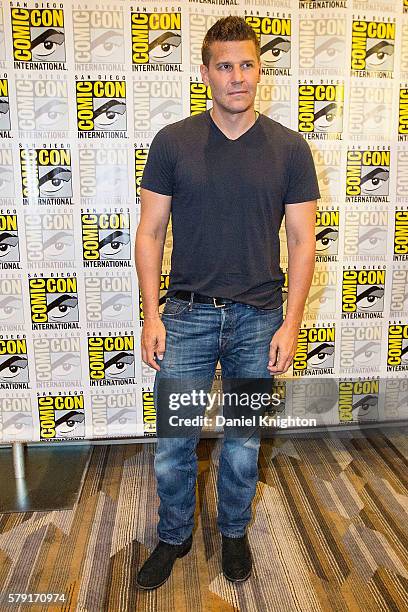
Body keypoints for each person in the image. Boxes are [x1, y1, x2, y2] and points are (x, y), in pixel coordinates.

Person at [134, 16, 320, 590]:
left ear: (260, 68)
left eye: (247, 65)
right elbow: (149, 233)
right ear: (206, 71)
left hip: (257, 320)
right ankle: (174, 536)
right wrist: (151, 315)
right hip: (186, 316)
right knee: (174, 445)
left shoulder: (290, 149)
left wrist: (289, 325)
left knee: (241, 444)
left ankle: (234, 532)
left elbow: (302, 241)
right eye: (225, 66)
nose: (237, 77)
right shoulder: (173, 141)